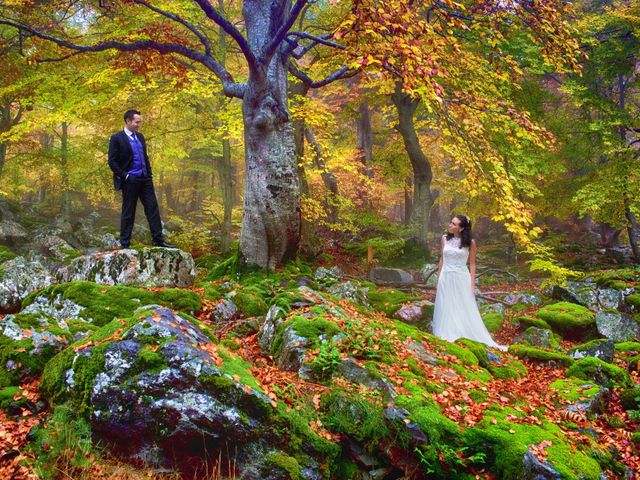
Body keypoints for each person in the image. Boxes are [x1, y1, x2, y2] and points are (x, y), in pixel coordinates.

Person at [431, 215, 505, 350]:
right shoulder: (444, 239)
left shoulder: (470, 242)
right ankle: (446, 331)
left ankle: (461, 332)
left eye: (454, 224)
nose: (450, 225)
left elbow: (472, 264)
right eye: (451, 222)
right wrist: (439, 277)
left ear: (461, 228)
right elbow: (442, 259)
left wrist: (472, 284)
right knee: (446, 303)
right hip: (446, 276)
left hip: (461, 277)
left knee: (461, 305)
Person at [108, 109, 173, 249]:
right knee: (128, 212)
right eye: (137, 122)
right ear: (128, 121)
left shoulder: (141, 137)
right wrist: (125, 176)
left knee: (152, 209)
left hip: (145, 180)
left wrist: (149, 175)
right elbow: (112, 162)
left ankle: (158, 240)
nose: (139, 125)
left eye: (140, 122)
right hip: (129, 180)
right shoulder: (117, 138)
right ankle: (125, 244)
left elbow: (145, 157)